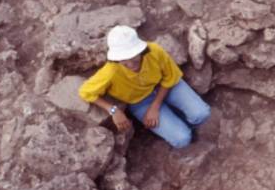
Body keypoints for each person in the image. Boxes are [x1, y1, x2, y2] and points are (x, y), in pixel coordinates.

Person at [79, 25, 211, 148]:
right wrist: (113, 110)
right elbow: (86, 92)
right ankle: (181, 127)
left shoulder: (154, 51)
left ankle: (189, 124)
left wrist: (155, 106)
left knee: (202, 114)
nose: (130, 63)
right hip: (141, 102)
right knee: (182, 139)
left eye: (133, 56)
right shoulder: (110, 71)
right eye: (124, 59)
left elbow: (170, 78)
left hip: (165, 87)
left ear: (141, 50)